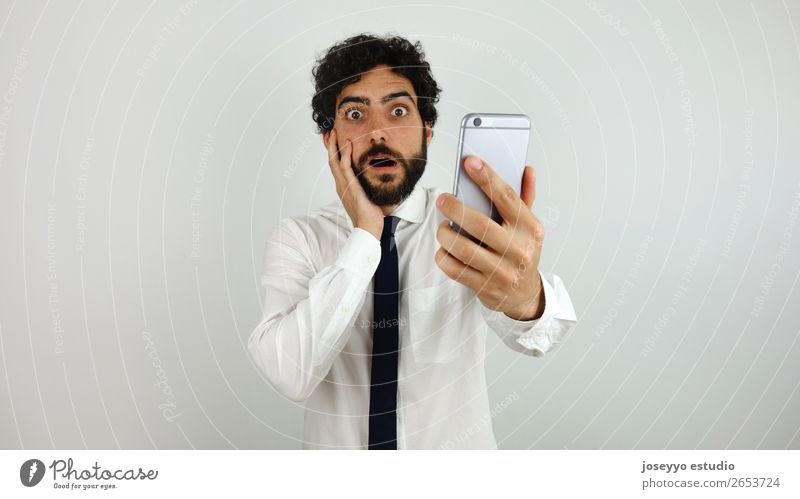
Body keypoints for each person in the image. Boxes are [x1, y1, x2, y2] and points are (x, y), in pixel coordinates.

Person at [248, 33, 577, 449]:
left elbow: (539, 338)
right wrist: (366, 235)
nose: (378, 133)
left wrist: (527, 297)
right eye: (354, 114)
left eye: (398, 110)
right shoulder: (298, 239)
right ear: (330, 139)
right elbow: (289, 374)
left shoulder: (465, 226)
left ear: (427, 129)